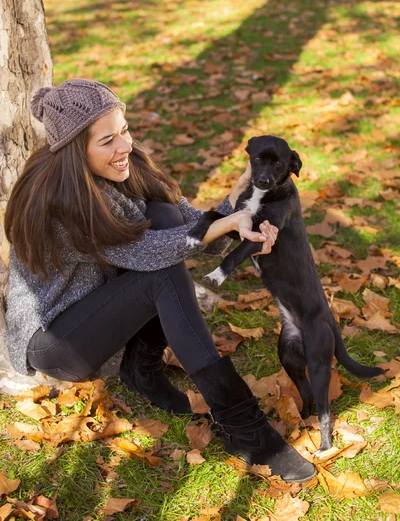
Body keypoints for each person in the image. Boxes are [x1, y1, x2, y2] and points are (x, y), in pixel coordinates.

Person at [4, 79, 315, 483]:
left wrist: (240, 207)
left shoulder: (130, 167)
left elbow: (191, 233)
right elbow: (148, 254)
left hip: (103, 305)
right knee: (161, 274)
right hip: (57, 341)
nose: (125, 146)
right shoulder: (61, 200)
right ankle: (243, 425)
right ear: (75, 151)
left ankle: (140, 369)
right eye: (108, 140)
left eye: (125, 129)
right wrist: (225, 226)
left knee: (164, 216)